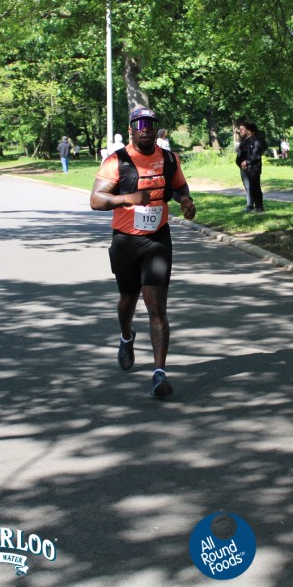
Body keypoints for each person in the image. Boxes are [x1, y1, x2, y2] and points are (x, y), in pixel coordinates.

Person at [90, 107, 197, 397]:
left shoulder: (169, 159)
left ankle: (159, 374)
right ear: (131, 130)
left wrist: (186, 200)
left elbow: (178, 187)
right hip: (126, 241)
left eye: (150, 124)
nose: (146, 128)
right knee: (128, 300)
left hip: (157, 240)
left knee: (157, 307)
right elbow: (96, 200)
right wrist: (128, 198)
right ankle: (126, 336)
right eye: (140, 124)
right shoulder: (117, 161)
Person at [235, 121, 266, 212]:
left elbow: (255, 155)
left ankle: (259, 206)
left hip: (254, 168)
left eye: (248, 131)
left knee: (255, 187)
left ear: (252, 131)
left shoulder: (256, 141)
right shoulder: (251, 140)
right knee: (252, 187)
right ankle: (256, 206)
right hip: (250, 167)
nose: (247, 132)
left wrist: (247, 162)